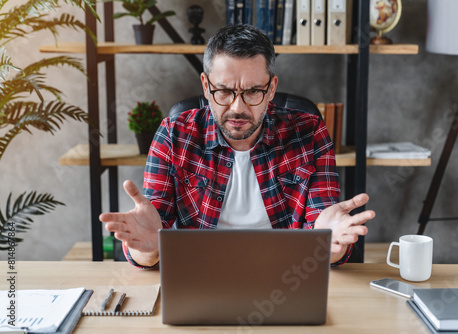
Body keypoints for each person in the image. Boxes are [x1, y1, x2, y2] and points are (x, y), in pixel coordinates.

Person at [100, 24, 375, 268]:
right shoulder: (174, 135)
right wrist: (148, 251)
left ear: (272, 88)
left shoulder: (310, 131)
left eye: (254, 91)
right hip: (199, 274)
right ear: (207, 87)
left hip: (285, 275)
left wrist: (331, 247)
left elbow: (324, 229)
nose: (238, 108)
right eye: (224, 91)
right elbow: (150, 233)